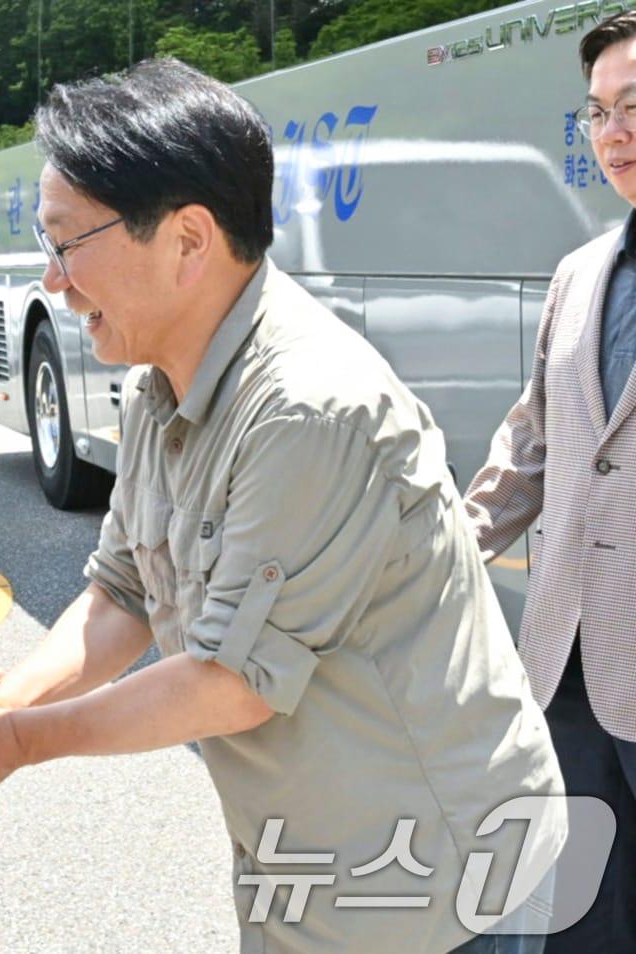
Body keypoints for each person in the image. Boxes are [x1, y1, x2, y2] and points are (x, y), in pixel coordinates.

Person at [0, 59, 567, 953]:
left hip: (437, 876)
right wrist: (5, 701)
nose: (53, 280)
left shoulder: (308, 409)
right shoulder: (161, 383)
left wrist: (11, 743)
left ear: (189, 240)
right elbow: (122, 591)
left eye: (68, 244)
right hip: (312, 863)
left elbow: (230, 682)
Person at [463, 11, 636, 950]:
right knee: (583, 914)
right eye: (598, 113)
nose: (614, 133)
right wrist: (445, 548)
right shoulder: (581, 272)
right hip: (567, 654)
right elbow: (533, 440)